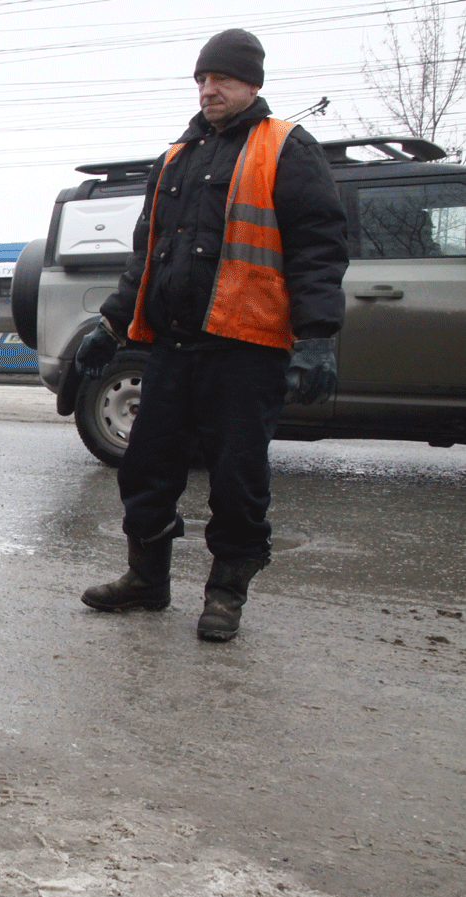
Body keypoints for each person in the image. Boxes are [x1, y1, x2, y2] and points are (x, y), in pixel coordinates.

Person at [74, 28, 348, 641]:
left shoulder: (286, 148)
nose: (209, 89)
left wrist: (317, 336)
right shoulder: (177, 157)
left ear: (252, 82)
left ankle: (225, 594)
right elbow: (147, 254)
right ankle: (147, 581)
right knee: (146, 468)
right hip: (173, 345)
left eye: (221, 78)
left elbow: (319, 250)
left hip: (246, 348)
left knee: (237, 477)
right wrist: (112, 323)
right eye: (202, 78)